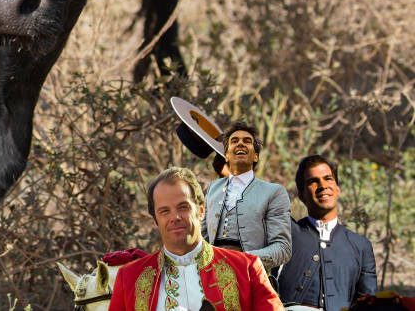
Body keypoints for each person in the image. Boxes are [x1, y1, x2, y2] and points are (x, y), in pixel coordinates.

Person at [109, 167, 284, 311]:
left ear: (201, 211)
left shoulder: (247, 268)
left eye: (183, 207)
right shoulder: (129, 277)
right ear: (155, 220)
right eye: (164, 211)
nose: (175, 217)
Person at [277, 155, 377, 311]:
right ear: (302, 195)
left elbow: (368, 305)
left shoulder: (360, 246)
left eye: (328, 179)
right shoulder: (285, 234)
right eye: (313, 181)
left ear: (337, 189)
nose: (323, 186)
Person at [205, 121, 291, 272]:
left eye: (247, 141)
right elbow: (201, 240)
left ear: (256, 156)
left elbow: (282, 249)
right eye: (234, 141)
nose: (240, 144)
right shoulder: (212, 188)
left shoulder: (274, 192)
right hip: (213, 280)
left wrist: (243, 259)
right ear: (226, 155)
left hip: (253, 280)